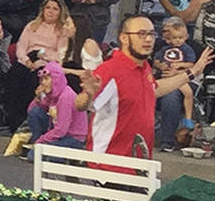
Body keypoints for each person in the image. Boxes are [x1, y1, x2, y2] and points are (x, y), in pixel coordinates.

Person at [78, 14, 213, 160]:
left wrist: (193, 72)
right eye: (141, 34)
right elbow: (81, 104)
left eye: (151, 34)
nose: (148, 39)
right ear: (124, 38)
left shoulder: (144, 67)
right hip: (109, 165)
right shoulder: (110, 70)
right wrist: (88, 95)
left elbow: (154, 89)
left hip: (138, 164)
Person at [25, 62, 88, 161]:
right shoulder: (52, 95)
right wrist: (38, 98)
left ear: (56, 80)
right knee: (35, 112)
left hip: (73, 137)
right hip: (59, 132)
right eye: (42, 79)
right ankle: (39, 148)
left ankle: (49, 153)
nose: (43, 82)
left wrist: (40, 141)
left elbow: (61, 130)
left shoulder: (65, 97)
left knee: (34, 156)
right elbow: (31, 111)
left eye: (46, 79)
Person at [154, 16, 198, 153]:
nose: (176, 40)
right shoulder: (162, 47)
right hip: (161, 79)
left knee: (172, 95)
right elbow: (155, 61)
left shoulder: (189, 48)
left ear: (185, 36)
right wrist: (160, 66)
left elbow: (193, 66)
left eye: (180, 37)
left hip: (181, 78)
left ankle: (169, 139)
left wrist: (178, 70)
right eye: (167, 33)